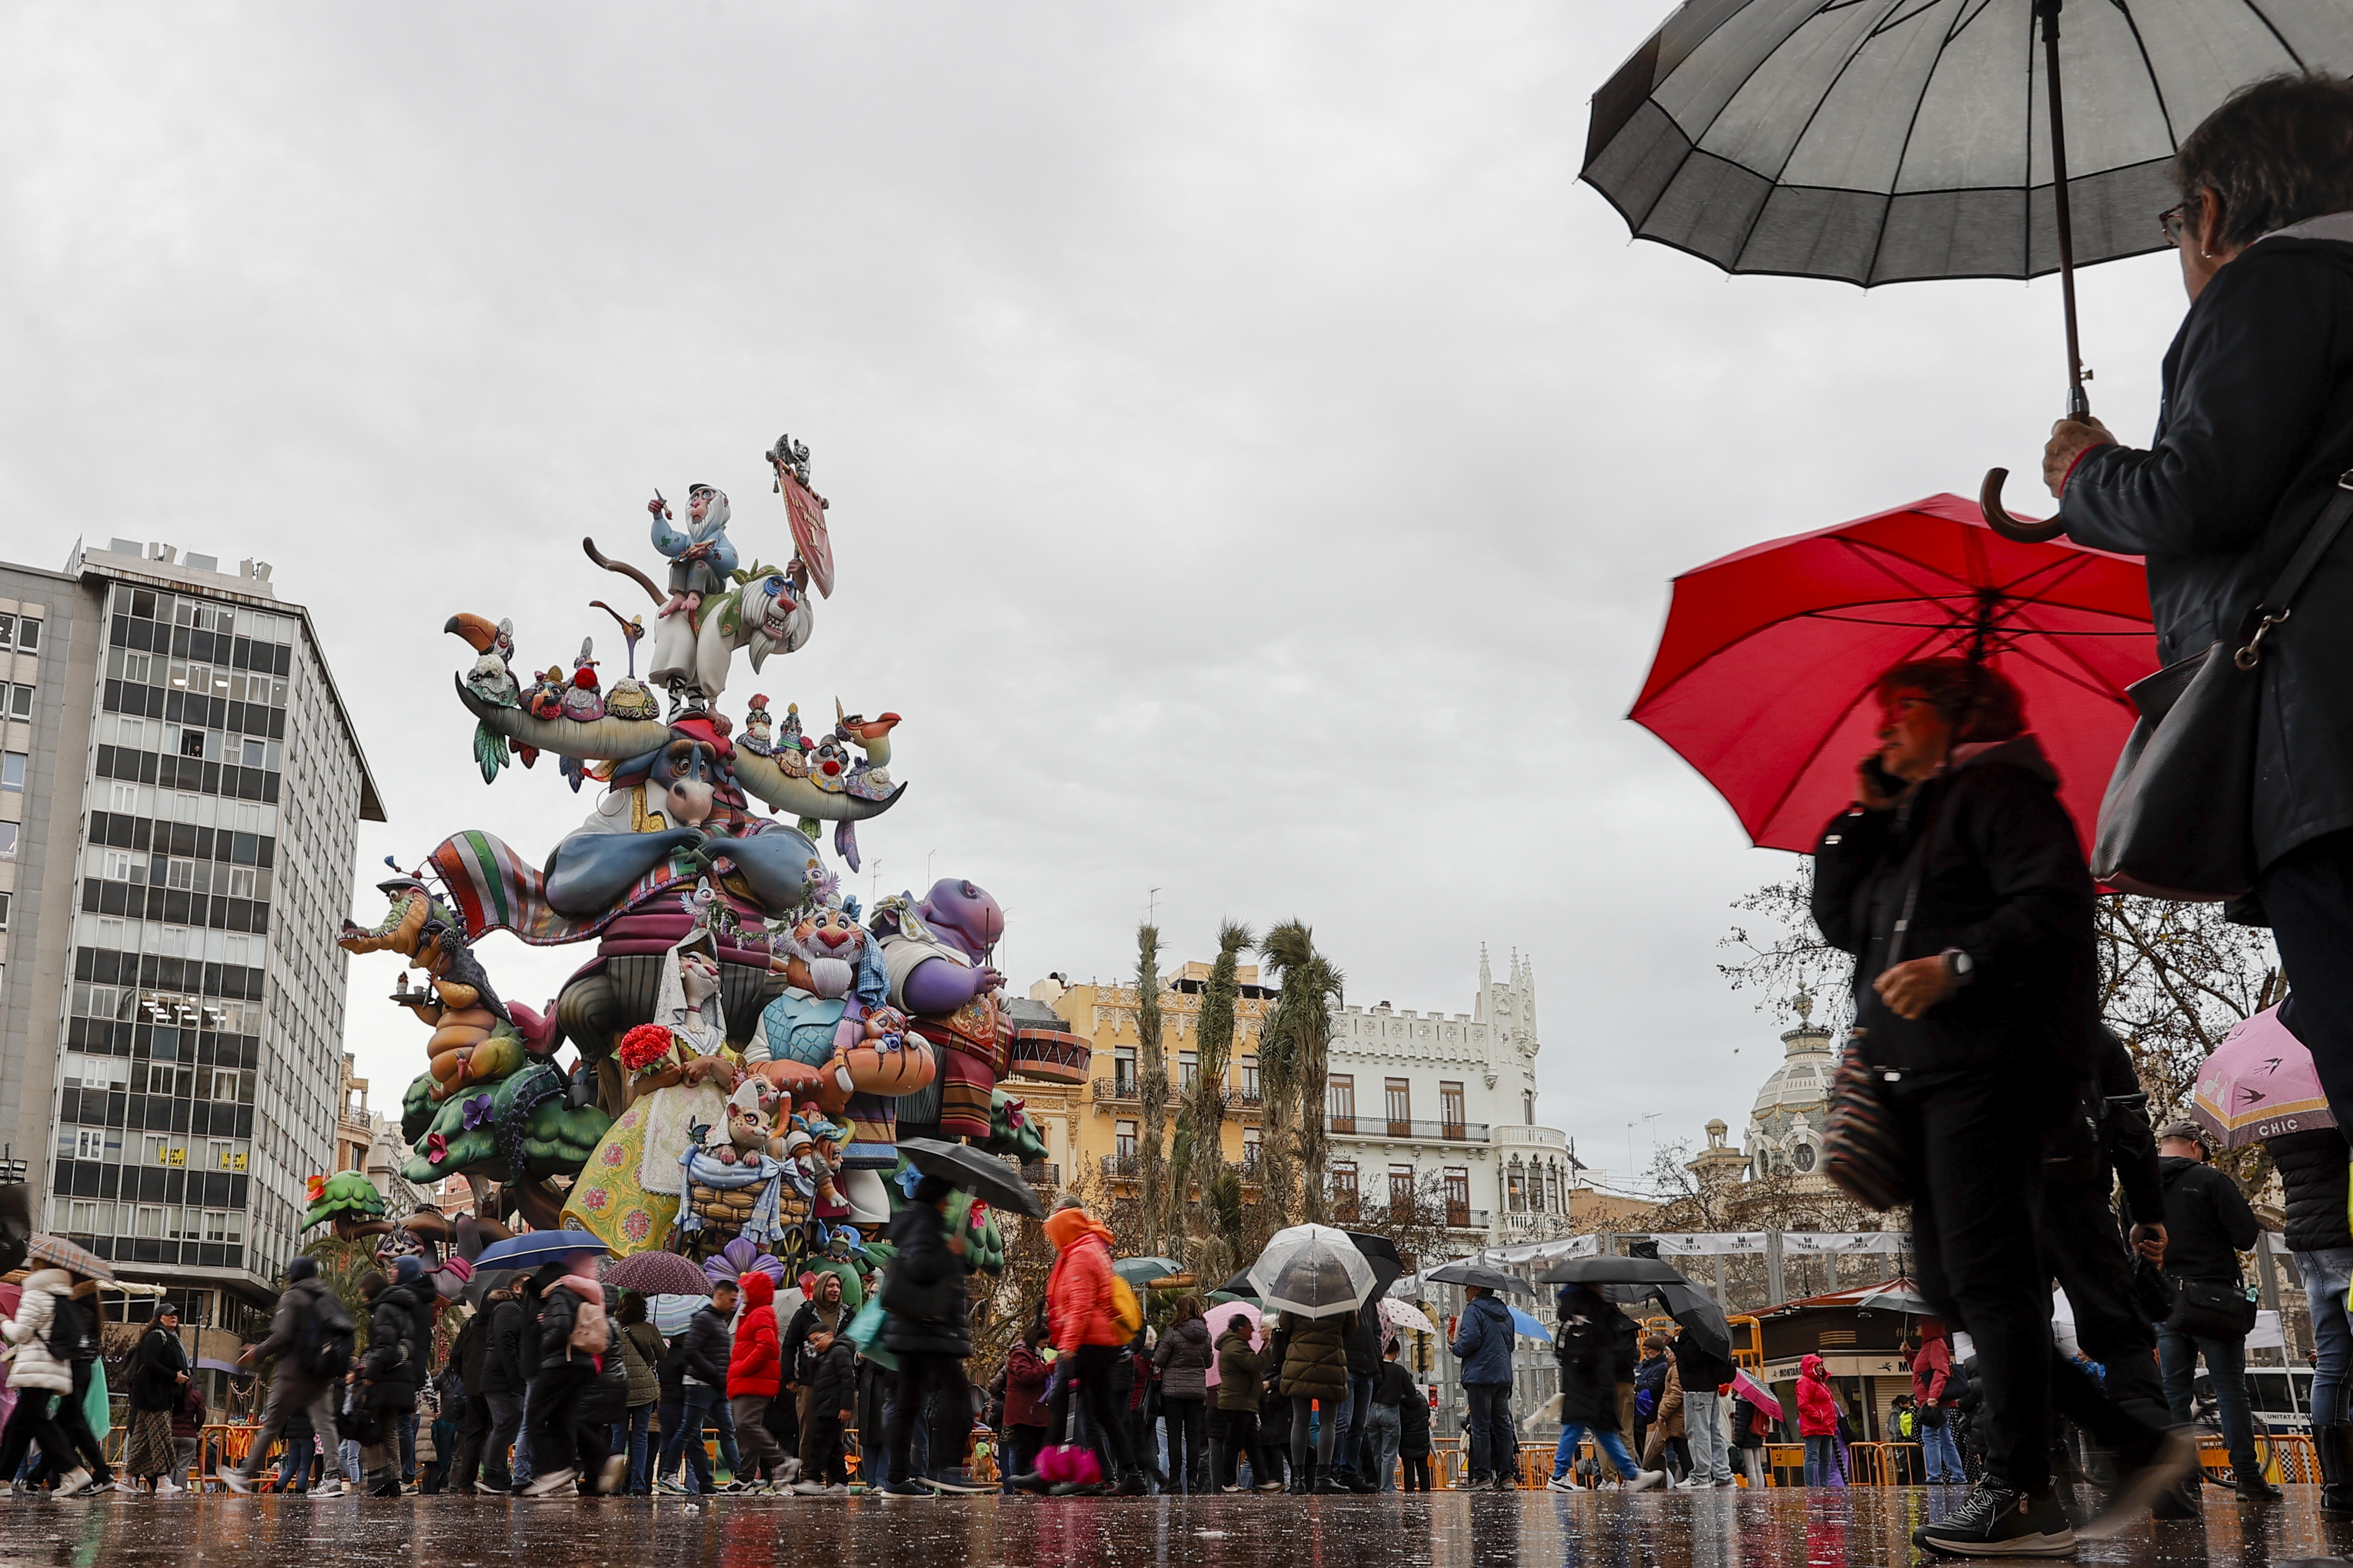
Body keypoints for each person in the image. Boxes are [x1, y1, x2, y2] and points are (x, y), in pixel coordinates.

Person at [2044, 73, 2353, 1139]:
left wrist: (2085, 475)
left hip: (2323, 753)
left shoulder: (2271, 286)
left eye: (2178, 222)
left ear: (2209, 217)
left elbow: (2195, 494)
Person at [1814, 658, 2107, 1557]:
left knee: (1986, 1277)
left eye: (1899, 712)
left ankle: (2025, 1487)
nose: (1884, 730)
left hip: (1993, 1063)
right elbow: (1842, 921)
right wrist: (1862, 816)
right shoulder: (1919, 820)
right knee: (1950, 1283)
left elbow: (2054, 910)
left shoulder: (2005, 796)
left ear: (1956, 715)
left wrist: (1959, 965)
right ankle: (2127, 1439)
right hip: (1932, 1076)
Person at [2040, 1031, 2198, 1521]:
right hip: (2079, 1191)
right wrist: (2147, 1212)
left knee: (2015, 1330)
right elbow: (2131, 1131)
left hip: (1997, 1200)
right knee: (2117, 1327)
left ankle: (2039, 1483)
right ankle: (2152, 1453)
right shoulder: (2095, 1039)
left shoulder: (1969, 1018)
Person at [2154, 1120, 2275, 1500]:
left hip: (2165, 1300)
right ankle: (2246, 1476)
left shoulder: (2137, 1188)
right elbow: (2244, 1234)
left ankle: (2182, 1478)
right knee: (2229, 1391)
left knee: (2173, 1393)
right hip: (2214, 1300)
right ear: (2194, 1146)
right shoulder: (2209, 1180)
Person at [880, 1174, 984, 1496]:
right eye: (947, 1197)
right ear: (937, 1197)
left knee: (907, 1405)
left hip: (913, 1331)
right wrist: (950, 1252)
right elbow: (922, 1267)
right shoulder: (925, 1225)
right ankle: (947, 1470)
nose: (950, 1203)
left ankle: (897, 1479)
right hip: (930, 1330)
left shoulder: (916, 1222)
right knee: (957, 1397)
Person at [2270, 1119, 2353, 1513]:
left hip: (2306, 1245)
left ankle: (2338, 1490)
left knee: (2333, 1366)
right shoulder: (2333, 1104)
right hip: (2344, 1233)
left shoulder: (2281, 1116)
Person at [224, 1257, 352, 1497]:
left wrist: (257, 1352)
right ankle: (333, 1478)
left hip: (293, 1373)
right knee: (325, 1424)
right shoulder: (325, 1296)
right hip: (321, 1372)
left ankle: (244, 1475)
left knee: (272, 1423)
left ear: (293, 1275)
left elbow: (282, 1335)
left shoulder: (293, 1296)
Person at [1042, 1201, 1146, 1494]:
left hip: (1090, 1341)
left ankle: (1048, 1474)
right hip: (1100, 1342)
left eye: (1054, 1230)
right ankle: (1131, 1475)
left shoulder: (1080, 1254)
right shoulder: (1087, 1248)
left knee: (1063, 1400)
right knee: (1101, 1413)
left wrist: (1068, 1346)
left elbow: (1080, 1306)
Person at [525, 1251, 627, 1497]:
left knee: (536, 1416)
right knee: (566, 1419)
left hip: (561, 1363)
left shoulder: (560, 1292)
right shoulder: (589, 1296)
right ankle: (604, 1459)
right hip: (585, 1365)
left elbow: (560, 1329)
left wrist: (546, 1338)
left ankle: (552, 1472)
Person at [1545, 1284, 1660, 1495]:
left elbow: (1568, 1356)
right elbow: (1585, 1356)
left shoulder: (1577, 1322)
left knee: (1603, 1432)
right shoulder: (1581, 1323)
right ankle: (1559, 1475)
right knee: (1582, 1430)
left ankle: (1631, 1474)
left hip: (1586, 1388)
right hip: (1586, 1388)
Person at [0, 1261, 103, 1496]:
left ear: (38, 1268)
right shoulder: (62, 1295)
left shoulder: (36, 1292)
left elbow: (21, 1334)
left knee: (38, 1421)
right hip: (53, 1367)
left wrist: (4, 1320)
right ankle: (4, 1478)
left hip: (35, 1369)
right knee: (19, 1425)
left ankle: (73, 1470)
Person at [660, 1280, 733, 1495]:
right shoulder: (686, 1354)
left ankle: (688, 1480)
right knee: (693, 1440)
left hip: (668, 1403)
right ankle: (694, 1481)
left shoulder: (665, 1355)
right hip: (684, 1400)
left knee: (680, 1442)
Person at [724, 1269, 793, 1494]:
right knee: (746, 1430)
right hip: (748, 1381)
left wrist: (743, 1368)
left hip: (754, 1381)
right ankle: (745, 1479)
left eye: (745, 1288)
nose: (741, 1293)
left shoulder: (760, 1313)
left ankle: (782, 1461)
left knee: (747, 1425)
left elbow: (768, 1346)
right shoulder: (753, 1313)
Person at [1448, 1284, 1517, 1490]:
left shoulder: (1474, 1310)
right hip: (1503, 1376)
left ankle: (1482, 1477)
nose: (1466, 1290)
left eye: (1469, 1287)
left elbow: (1470, 1341)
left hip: (1480, 1376)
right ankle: (1507, 1477)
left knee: (1480, 1427)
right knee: (1503, 1426)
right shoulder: (1506, 1314)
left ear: (1478, 1289)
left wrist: (1455, 1347)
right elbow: (1511, 1345)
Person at [1278, 1307, 1352, 1494]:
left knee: (1300, 1420)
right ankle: (1323, 1478)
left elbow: (1284, 1325)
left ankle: (1298, 1481)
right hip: (1331, 1362)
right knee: (1328, 1422)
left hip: (1299, 1360)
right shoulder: (1342, 1293)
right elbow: (1350, 1330)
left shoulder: (1295, 1290)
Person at [121, 1301, 191, 1494]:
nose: (174, 1317)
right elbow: (150, 1363)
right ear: (159, 1317)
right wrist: (174, 1376)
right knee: (160, 1438)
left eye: (175, 1315)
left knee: (142, 1440)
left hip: (157, 1396)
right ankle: (162, 1481)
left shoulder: (171, 1338)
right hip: (153, 1397)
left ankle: (127, 1479)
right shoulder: (156, 1337)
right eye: (169, 1315)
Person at [791, 1314, 857, 1495]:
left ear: (830, 1335)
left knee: (820, 1445)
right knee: (834, 1447)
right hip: (826, 1408)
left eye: (819, 1339)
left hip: (834, 1408)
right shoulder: (826, 1356)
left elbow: (848, 1381)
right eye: (813, 1342)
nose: (817, 1344)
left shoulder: (840, 1352)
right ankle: (841, 1483)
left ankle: (813, 1479)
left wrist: (846, 1407)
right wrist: (811, 1361)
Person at [1153, 1295, 1212, 1493]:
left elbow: (1160, 1360)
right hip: (1196, 1391)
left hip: (1173, 1392)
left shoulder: (1172, 1333)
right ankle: (1193, 1480)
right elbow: (1209, 1362)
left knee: (1175, 1436)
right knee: (1194, 1436)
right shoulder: (1206, 1335)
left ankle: (1176, 1480)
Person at [475, 1282, 529, 1493]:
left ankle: (496, 1473)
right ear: (516, 1288)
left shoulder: (511, 1309)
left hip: (499, 1377)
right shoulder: (509, 1308)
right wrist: (516, 1378)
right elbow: (506, 1342)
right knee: (507, 1423)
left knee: (509, 1423)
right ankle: (494, 1474)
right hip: (501, 1378)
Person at [1672, 1320, 1737, 1488]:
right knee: (1715, 1432)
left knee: (1698, 1433)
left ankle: (1700, 1476)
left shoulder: (1696, 1331)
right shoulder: (1712, 1330)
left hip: (1696, 1390)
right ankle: (1724, 1475)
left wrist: (1672, 1344)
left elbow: (1690, 1357)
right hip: (1710, 1388)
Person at [615, 1292, 663, 1494]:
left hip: (620, 1390)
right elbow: (663, 1355)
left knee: (618, 1438)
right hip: (645, 1390)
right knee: (641, 1438)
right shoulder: (649, 1329)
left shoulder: (615, 1330)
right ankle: (638, 1485)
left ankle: (616, 1486)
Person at [997, 1320, 1053, 1495]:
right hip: (1024, 1413)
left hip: (1034, 1412)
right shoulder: (1020, 1354)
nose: (1046, 1347)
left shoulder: (1034, 1354)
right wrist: (1048, 1369)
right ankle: (1022, 1486)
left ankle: (1034, 1484)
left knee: (1036, 1449)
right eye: (1044, 1343)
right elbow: (1025, 1376)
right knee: (1023, 1450)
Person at [1908, 1326, 1967, 1485]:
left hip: (1933, 1401)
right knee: (1944, 1437)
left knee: (1930, 1437)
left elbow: (1941, 1372)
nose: (1917, 1327)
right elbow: (1923, 1369)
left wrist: (1933, 1397)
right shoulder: (1930, 1345)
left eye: (1920, 1324)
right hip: (1933, 1400)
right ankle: (1957, 1475)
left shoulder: (1934, 1344)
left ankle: (1935, 1476)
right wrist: (1908, 1355)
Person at [1212, 1315, 1264, 1493]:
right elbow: (1255, 1364)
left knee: (1253, 1444)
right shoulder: (1235, 1347)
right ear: (1241, 1328)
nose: (1253, 1330)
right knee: (1235, 1444)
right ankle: (1228, 1482)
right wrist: (1269, 1348)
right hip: (1237, 1402)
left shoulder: (1238, 1345)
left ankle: (1263, 1480)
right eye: (1250, 1326)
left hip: (1243, 1402)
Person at [1639, 1334, 1689, 1482]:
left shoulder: (1669, 1368)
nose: (1646, 1352)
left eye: (1649, 1349)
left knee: (1675, 1451)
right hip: (1659, 1414)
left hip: (1668, 1415)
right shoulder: (1666, 1366)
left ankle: (1682, 1479)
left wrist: (1664, 1411)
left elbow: (1674, 1392)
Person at [1797, 1354, 1842, 1485]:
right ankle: (1812, 1488)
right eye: (1818, 1365)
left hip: (1826, 1426)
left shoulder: (1819, 1383)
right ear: (1811, 1367)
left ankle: (1823, 1487)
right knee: (1812, 1457)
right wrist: (1819, 1417)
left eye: (1822, 1364)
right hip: (1816, 1426)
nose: (1821, 1367)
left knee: (1826, 1459)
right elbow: (1803, 1404)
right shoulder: (1805, 1382)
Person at [1396, 1353, 1432, 1493]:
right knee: (1424, 1470)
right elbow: (1427, 1416)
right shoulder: (1422, 1399)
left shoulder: (1400, 1403)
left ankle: (1410, 1494)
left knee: (1409, 1471)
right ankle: (1426, 1494)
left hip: (1406, 1443)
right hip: (1422, 1442)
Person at [1729, 1390, 1767, 1488]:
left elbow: (1742, 1424)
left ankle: (1754, 1491)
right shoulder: (1756, 1400)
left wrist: (1738, 1441)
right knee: (1758, 1467)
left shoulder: (1742, 1403)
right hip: (1756, 1435)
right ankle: (1761, 1491)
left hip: (1746, 1439)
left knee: (1750, 1469)